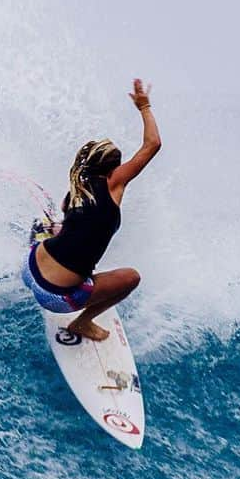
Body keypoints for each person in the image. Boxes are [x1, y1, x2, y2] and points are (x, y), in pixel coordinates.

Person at [22, 78, 161, 342]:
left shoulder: (76, 187)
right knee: (131, 278)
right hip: (55, 297)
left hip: (29, 269)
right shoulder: (114, 185)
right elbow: (152, 144)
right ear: (113, 171)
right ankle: (82, 323)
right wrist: (144, 107)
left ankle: (46, 235)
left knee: (64, 229)